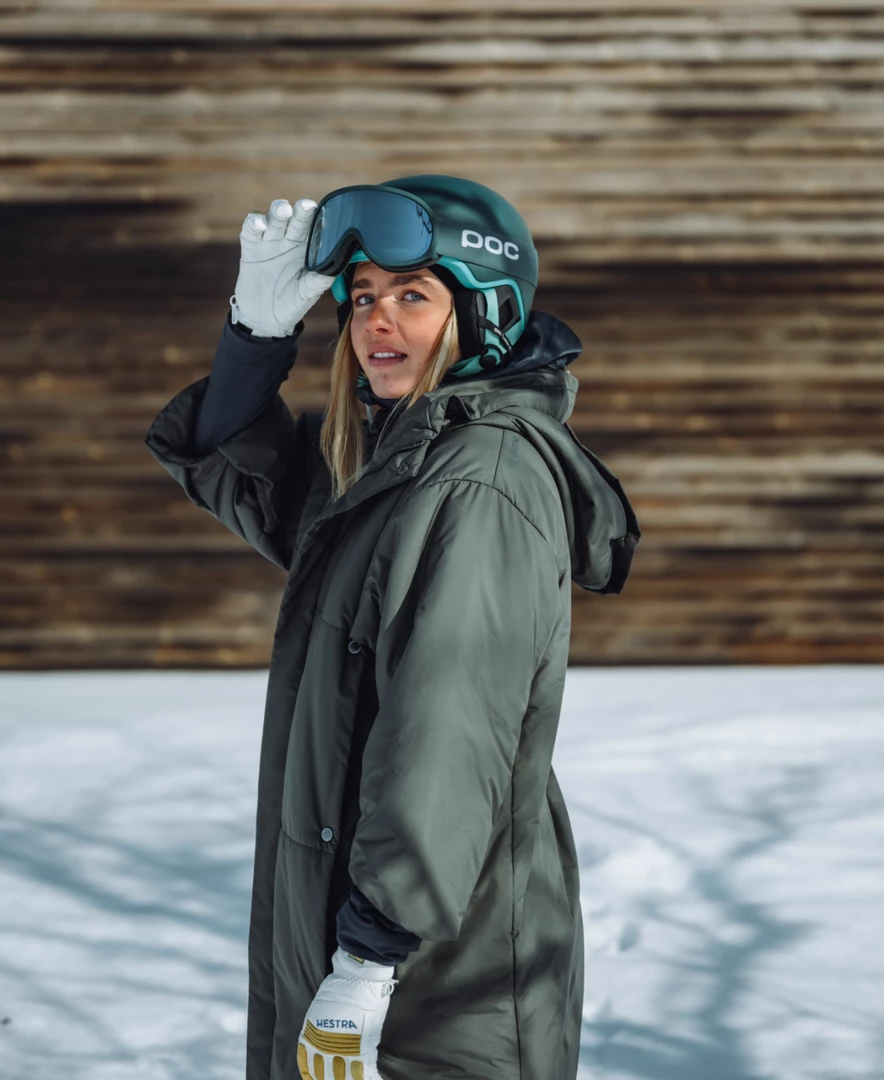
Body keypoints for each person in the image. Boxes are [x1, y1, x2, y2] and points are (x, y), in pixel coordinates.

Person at [145, 174, 640, 1080]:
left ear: (483, 315)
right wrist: (255, 337)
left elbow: (447, 729)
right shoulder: (394, 465)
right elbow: (242, 472)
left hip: (438, 984)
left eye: (413, 296)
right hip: (372, 941)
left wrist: (369, 962)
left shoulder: (478, 482)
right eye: (363, 297)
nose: (377, 321)